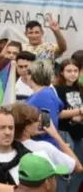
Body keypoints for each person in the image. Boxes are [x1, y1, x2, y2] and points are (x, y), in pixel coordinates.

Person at [10, 103, 80, 176]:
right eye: (36, 120)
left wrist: (30, 132)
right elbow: (77, 167)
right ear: (27, 128)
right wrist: (55, 135)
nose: (39, 123)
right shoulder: (44, 148)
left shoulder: (7, 147)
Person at [52, 59, 83, 191]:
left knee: (79, 167)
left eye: (75, 71)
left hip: (79, 133)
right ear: (62, 72)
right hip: (64, 132)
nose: (73, 74)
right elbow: (57, 113)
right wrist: (78, 111)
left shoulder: (79, 88)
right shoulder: (57, 89)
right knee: (64, 168)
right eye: (69, 71)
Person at [26, 60, 64, 148]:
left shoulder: (43, 96)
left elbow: (46, 126)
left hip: (44, 146)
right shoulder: (46, 92)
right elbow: (60, 106)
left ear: (31, 76)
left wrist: (27, 130)